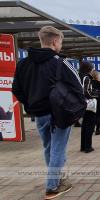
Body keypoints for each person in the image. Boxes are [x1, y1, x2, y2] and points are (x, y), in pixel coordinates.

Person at [12, 26, 82, 199]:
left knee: (48, 148)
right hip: (59, 113)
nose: (60, 47)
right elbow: (78, 87)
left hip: (38, 113)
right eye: (60, 43)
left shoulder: (23, 64)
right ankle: (52, 187)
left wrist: (30, 104)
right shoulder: (60, 62)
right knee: (58, 149)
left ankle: (55, 178)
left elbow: (16, 89)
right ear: (55, 41)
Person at [79, 62, 100, 153]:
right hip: (88, 104)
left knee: (84, 125)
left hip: (82, 104)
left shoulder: (79, 76)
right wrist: (96, 94)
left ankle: (83, 146)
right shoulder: (86, 77)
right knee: (90, 125)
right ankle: (88, 146)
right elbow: (87, 92)